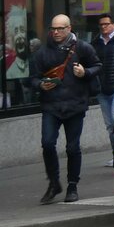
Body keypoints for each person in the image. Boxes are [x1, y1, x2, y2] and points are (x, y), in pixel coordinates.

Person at [28, 14, 100, 204]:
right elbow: (32, 78)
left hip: (75, 105)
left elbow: (97, 65)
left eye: (60, 28)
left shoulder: (82, 47)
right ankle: (53, 182)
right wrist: (40, 85)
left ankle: (72, 186)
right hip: (51, 105)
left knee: (72, 147)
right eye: (53, 29)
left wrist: (85, 72)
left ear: (69, 28)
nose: (56, 32)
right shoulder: (42, 53)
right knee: (48, 143)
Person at [92, 12, 114, 169]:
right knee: (110, 126)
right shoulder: (95, 43)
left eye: (106, 24)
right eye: (101, 25)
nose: (104, 27)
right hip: (102, 89)